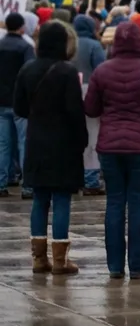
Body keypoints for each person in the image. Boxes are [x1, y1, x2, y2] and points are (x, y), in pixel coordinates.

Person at [83, 22, 140, 280]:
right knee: (137, 204)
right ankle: (137, 265)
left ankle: (114, 266)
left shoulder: (102, 71)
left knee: (114, 203)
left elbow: (91, 109)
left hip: (109, 146)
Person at [14, 21, 87, 274]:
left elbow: (20, 108)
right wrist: (82, 140)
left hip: (35, 141)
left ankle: (38, 259)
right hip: (63, 143)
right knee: (62, 199)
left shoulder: (27, 69)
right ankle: (60, 261)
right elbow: (75, 112)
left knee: (39, 199)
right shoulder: (67, 72)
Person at [0, 13, 34, 198]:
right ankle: (27, 186)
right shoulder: (25, 47)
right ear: (21, 27)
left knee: (3, 145)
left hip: (1, 102)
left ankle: (1, 183)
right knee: (24, 144)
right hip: (20, 103)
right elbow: (29, 74)